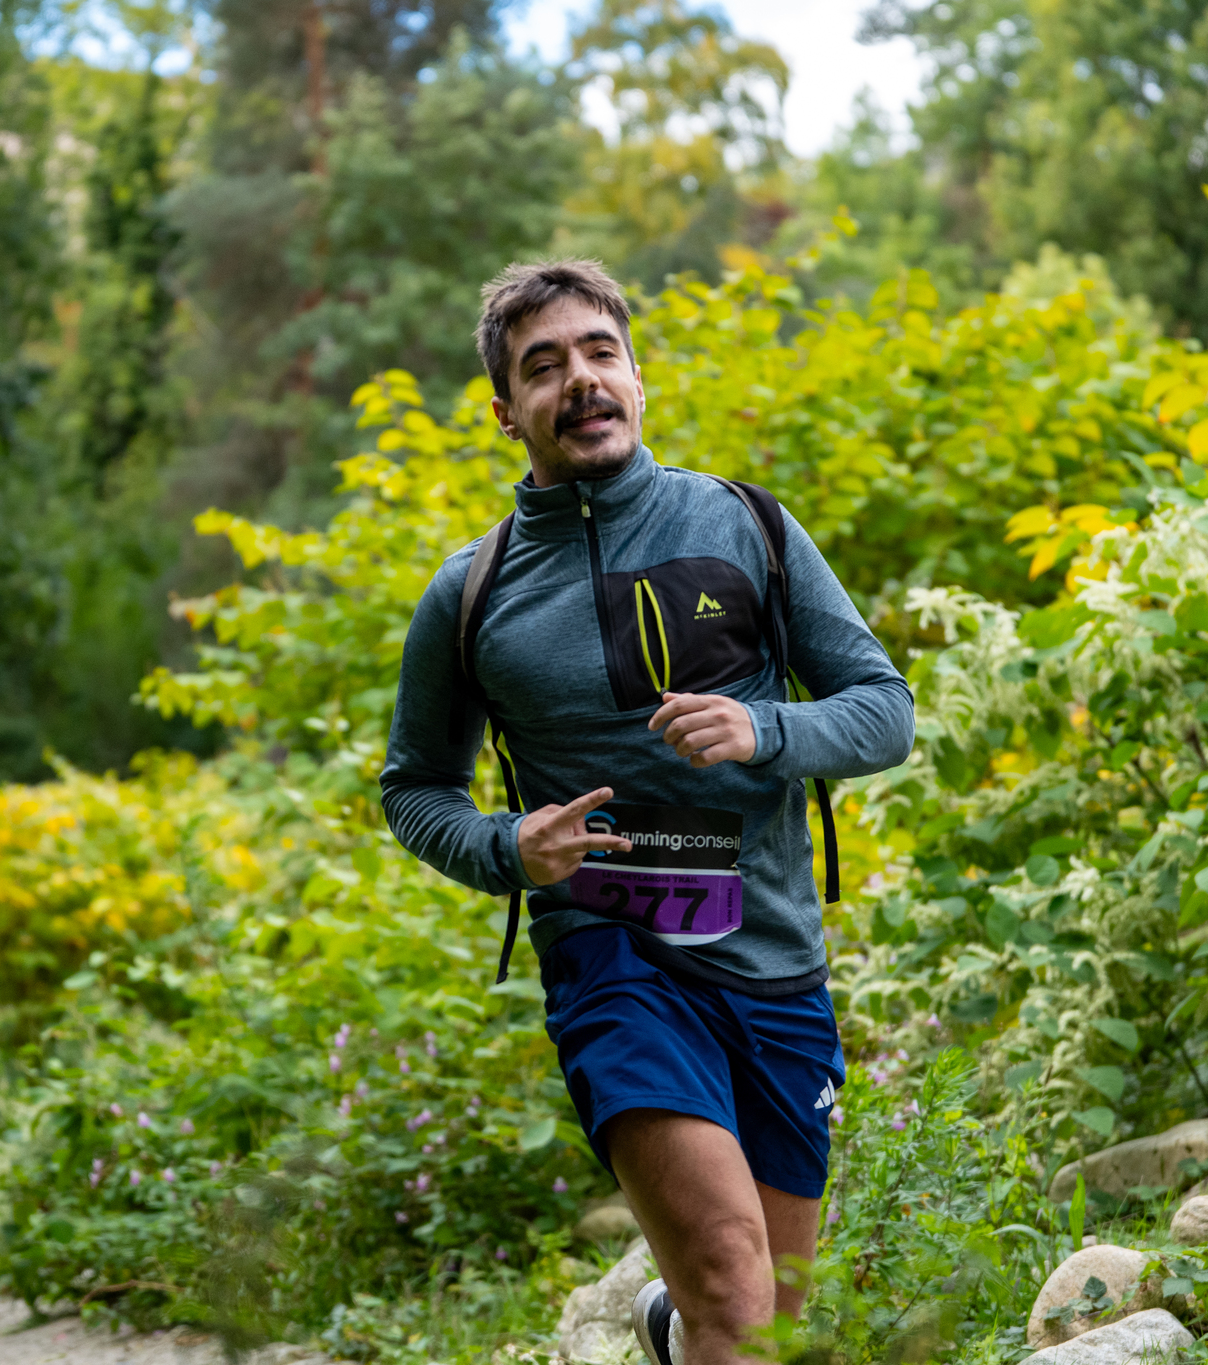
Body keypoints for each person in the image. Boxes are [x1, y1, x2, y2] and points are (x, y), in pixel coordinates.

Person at [379, 261, 914, 1365]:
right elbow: (414, 784)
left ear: (635, 376)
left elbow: (884, 710)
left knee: (769, 1319)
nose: (579, 380)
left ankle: (670, 1329)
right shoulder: (470, 593)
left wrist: (766, 730)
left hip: (772, 958)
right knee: (730, 1282)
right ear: (505, 411)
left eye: (599, 352)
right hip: (611, 956)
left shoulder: (747, 525)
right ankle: (695, 1315)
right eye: (543, 367)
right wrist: (503, 847)